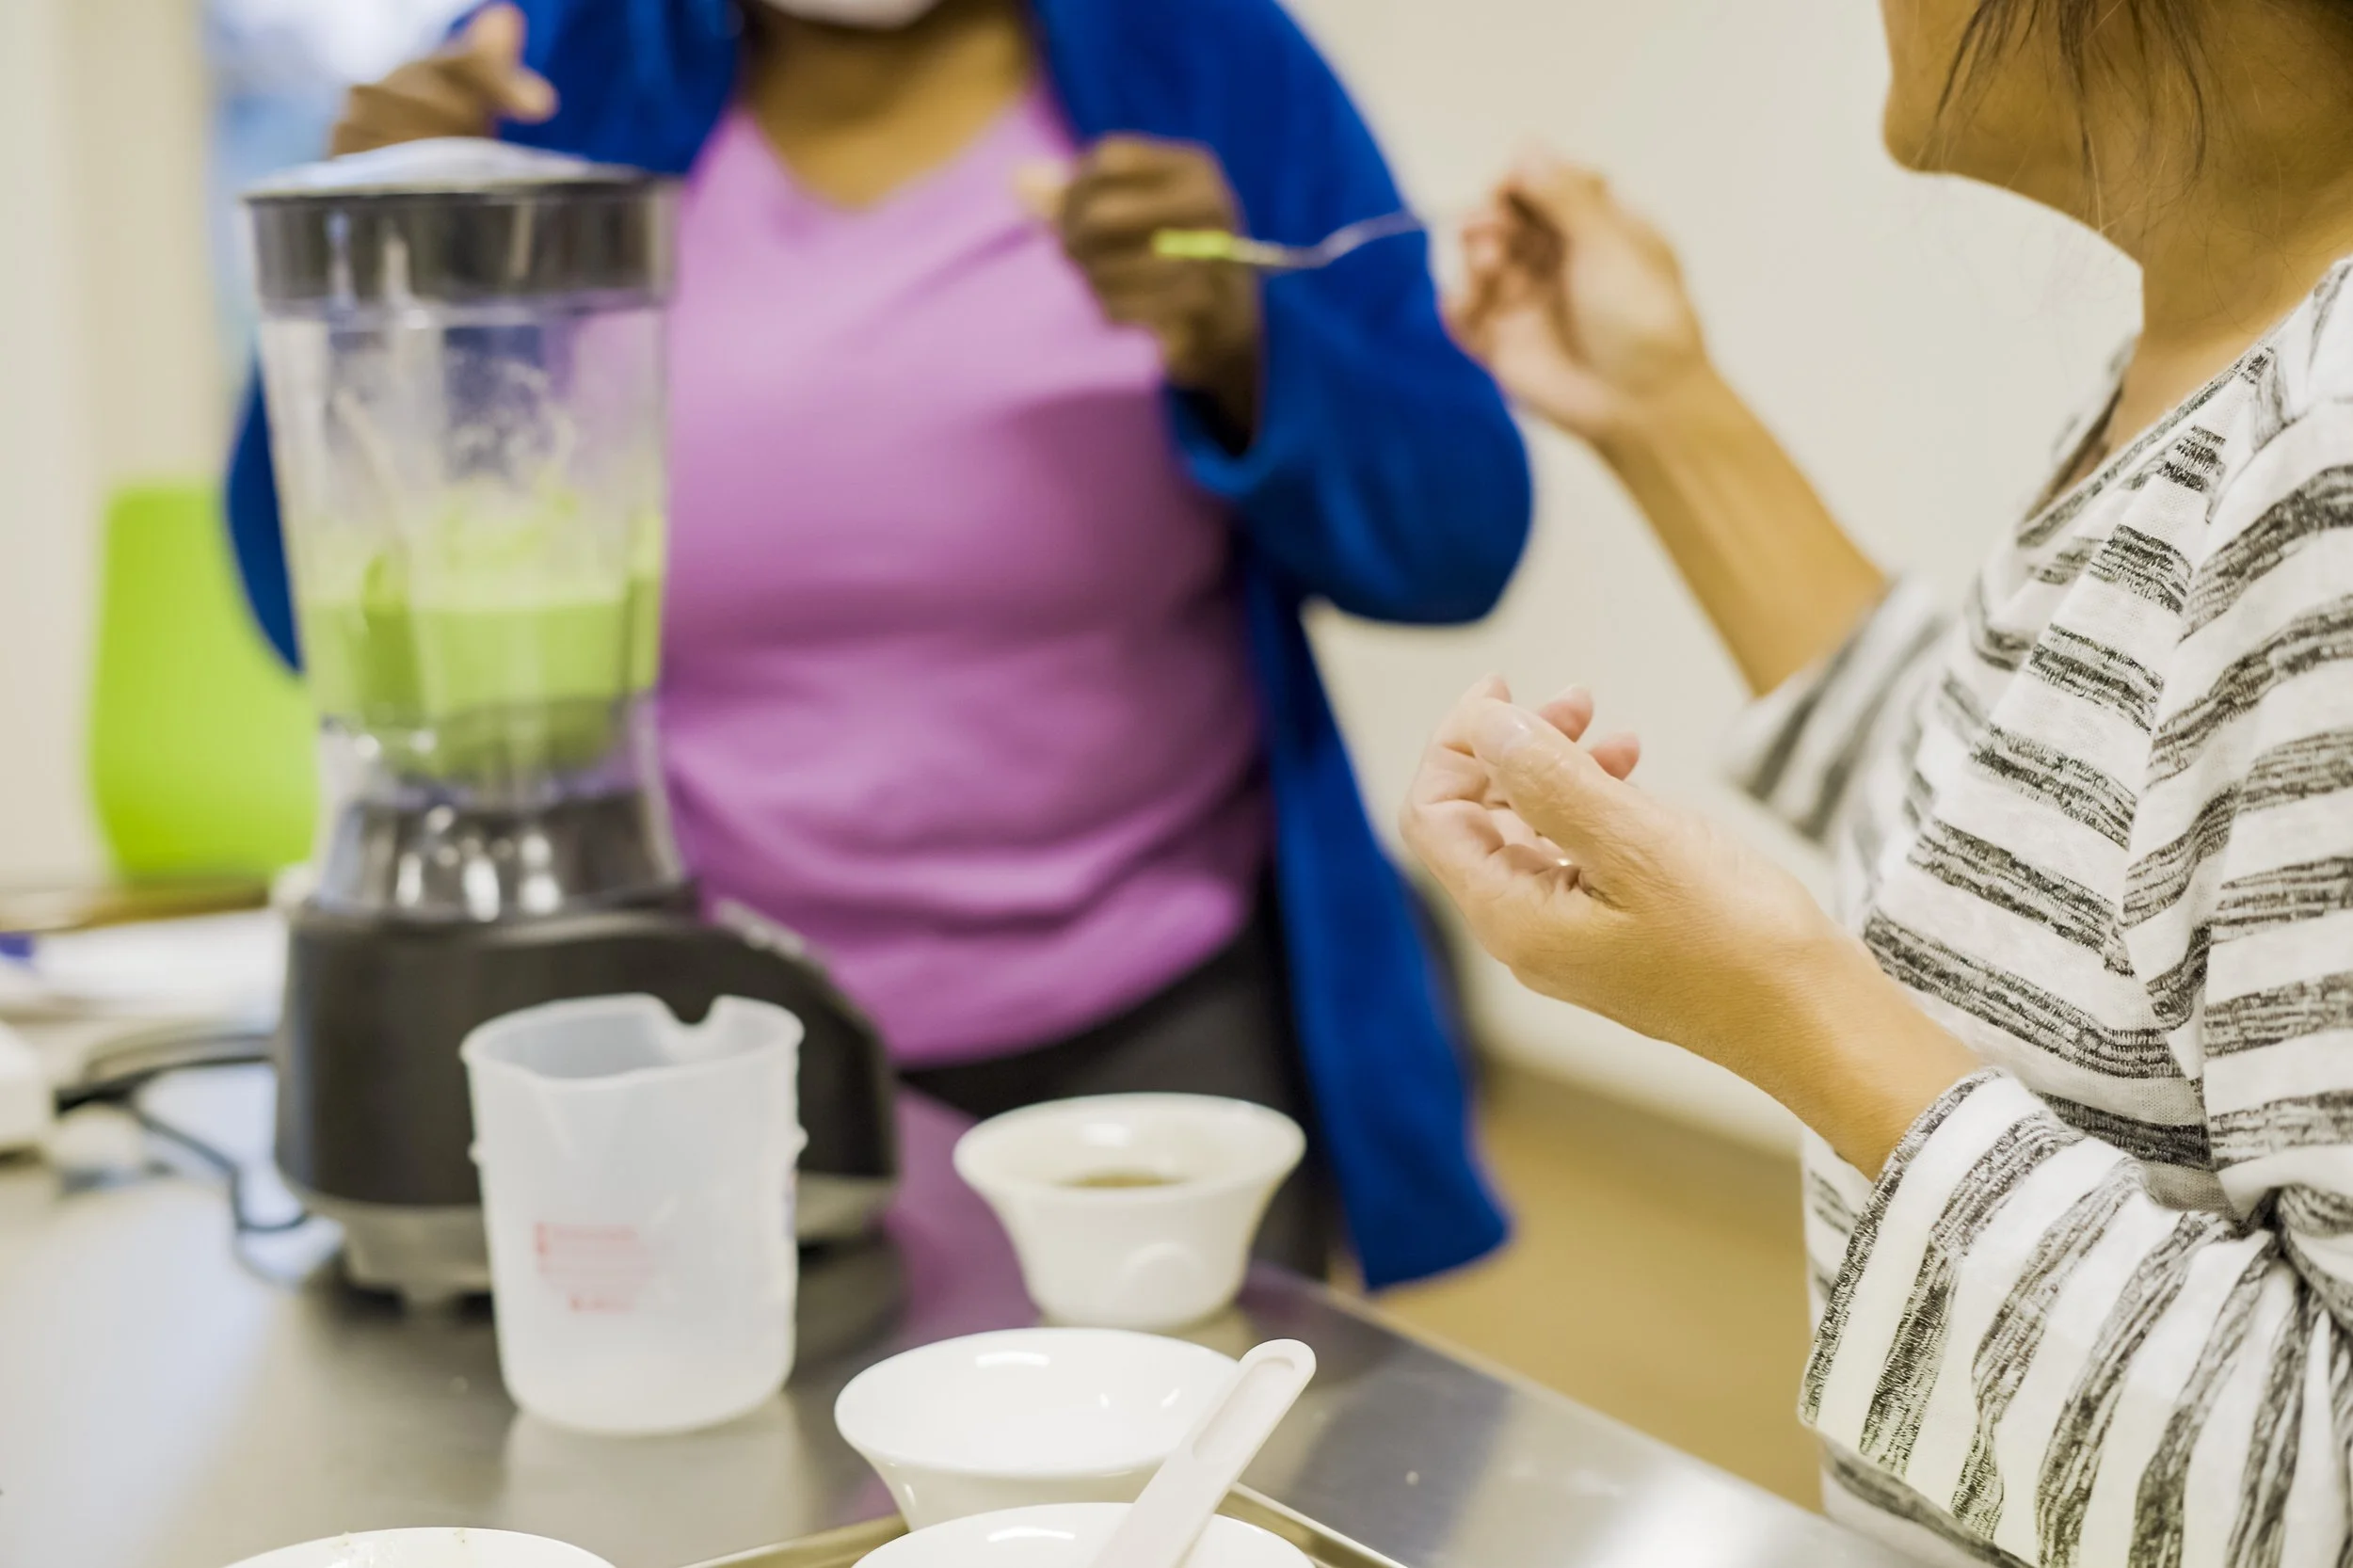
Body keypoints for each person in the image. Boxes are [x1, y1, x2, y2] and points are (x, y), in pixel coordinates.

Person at [225, 0, 1529, 1288]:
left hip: (1155, 1015)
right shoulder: (549, 70)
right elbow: (319, 616)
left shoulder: (1211, 58)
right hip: (682, 1031)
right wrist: (368, 296)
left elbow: (1455, 541)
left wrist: (1244, 341)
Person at [1414, 0, 2353, 1562]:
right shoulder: (2231, 368)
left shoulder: (2328, 472)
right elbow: (2048, 839)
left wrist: (1789, 1014)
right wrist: (1661, 409)